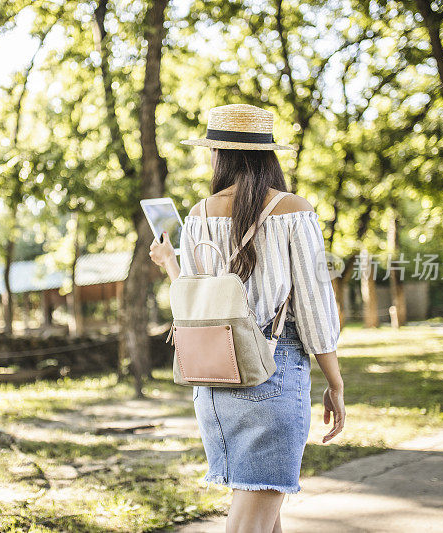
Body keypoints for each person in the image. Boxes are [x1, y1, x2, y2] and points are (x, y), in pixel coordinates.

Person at [148, 104, 345, 533]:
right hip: (271, 374)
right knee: (250, 522)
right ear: (268, 155)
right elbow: (313, 304)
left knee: (261, 517)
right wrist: (335, 381)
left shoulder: (199, 214)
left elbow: (196, 302)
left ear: (219, 155)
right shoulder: (294, 209)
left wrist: (169, 263)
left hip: (215, 382)